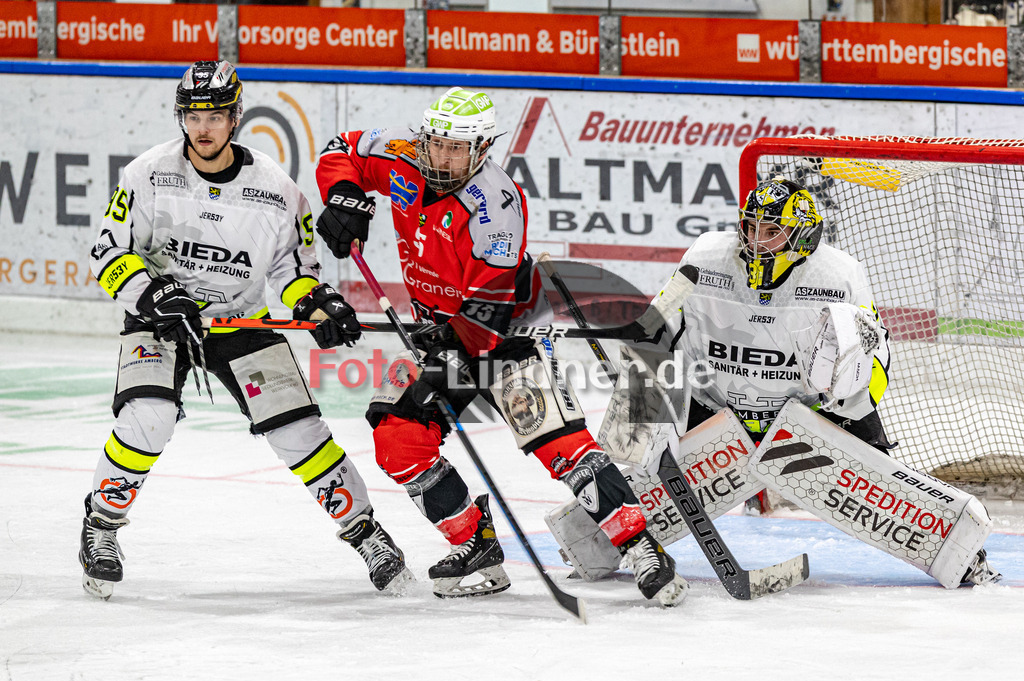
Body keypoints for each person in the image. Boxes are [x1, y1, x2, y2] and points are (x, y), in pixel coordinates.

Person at [313, 87, 688, 606]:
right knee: (398, 439)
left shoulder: (497, 205)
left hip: (506, 332)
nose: (442, 156)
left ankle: (640, 545)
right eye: (436, 143)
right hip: (437, 331)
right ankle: (476, 544)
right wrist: (343, 197)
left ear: (482, 149)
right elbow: (341, 149)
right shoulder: (402, 156)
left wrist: (447, 343)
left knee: (559, 445)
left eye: (457, 148)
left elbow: (487, 310)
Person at [79, 60, 412, 600]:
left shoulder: (277, 191)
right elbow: (105, 251)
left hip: (241, 322)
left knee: (299, 431)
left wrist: (319, 305)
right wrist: (154, 291)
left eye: (214, 115)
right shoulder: (147, 173)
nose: (202, 127)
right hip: (162, 319)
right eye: (192, 115)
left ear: (235, 118)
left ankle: (367, 533)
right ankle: (101, 526)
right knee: (151, 417)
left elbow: (293, 272)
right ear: (180, 116)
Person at [639, 175, 1000, 586]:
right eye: (751, 226)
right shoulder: (705, 257)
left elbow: (875, 359)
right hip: (714, 402)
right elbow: (655, 328)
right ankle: (626, 541)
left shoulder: (838, 275)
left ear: (803, 234)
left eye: (772, 231)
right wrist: (651, 404)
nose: (756, 240)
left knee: (882, 486)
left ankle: (963, 554)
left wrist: (843, 406)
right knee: (645, 465)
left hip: (808, 409)